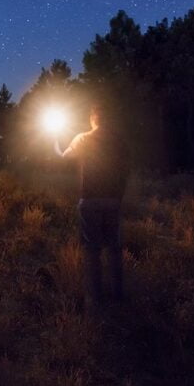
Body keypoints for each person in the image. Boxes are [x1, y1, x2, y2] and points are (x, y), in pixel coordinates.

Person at [55, 105, 128, 313]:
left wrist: (56, 141)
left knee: (92, 251)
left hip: (91, 200)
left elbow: (63, 157)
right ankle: (118, 296)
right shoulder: (119, 141)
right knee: (114, 249)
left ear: (93, 118)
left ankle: (95, 300)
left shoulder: (82, 138)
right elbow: (127, 168)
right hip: (114, 200)